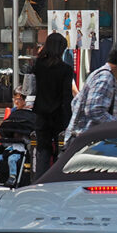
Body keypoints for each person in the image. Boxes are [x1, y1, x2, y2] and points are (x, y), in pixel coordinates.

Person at [65, 39, 117, 142]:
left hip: (83, 141)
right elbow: (94, 110)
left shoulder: (106, 76)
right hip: (85, 144)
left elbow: (75, 103)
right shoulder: (106, 78)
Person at [31, 33, 76, 177]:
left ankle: (39, 179)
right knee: (61, 149)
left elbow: (30, 88)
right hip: (59, 114)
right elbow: (66, 96)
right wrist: (69, 120)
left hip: (41, 113)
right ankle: (56, 179)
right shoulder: (66, 69)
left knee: (42, 149)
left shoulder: (38, 65)